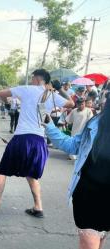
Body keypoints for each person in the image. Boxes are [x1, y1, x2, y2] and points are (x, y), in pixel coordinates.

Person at [0, 69, 74, 218]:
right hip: (39, 141)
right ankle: (38, 207)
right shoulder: (52, 95)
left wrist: (7, 102)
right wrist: (60, 88)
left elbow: (1, 94)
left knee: (3, 171)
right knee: (31, 175)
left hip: (22, 137)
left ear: (36, 78)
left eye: (32, 77)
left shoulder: (26, 89)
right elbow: (71, 103)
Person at [45, 93, 110, 249]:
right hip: (89, 195)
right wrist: (50, 127)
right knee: (93, 240)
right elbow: (73, 145)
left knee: (99, 239)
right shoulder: (95, 123)